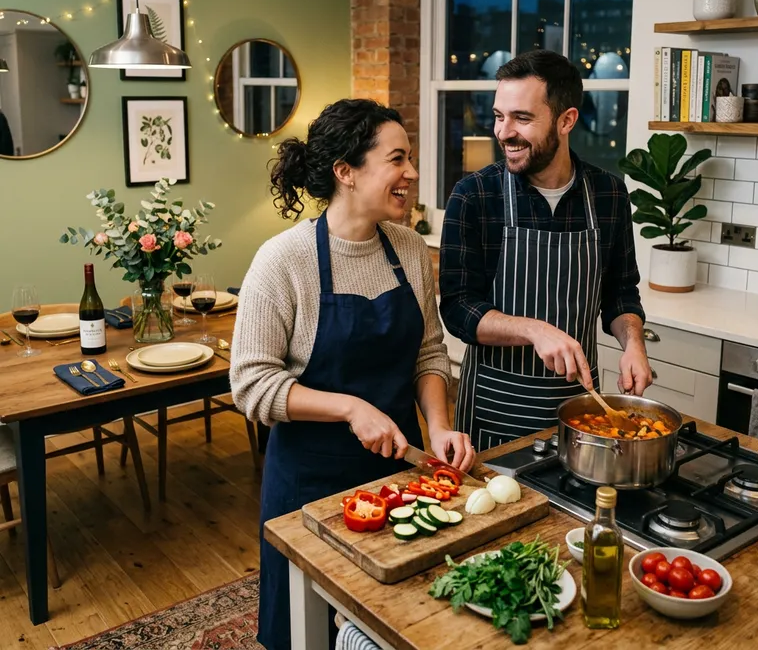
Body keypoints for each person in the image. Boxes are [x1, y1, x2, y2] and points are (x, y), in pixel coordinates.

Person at [230, 98, 475, 650]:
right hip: (310, 485)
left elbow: (429, 353)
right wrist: (349, 407)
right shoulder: (283, 260)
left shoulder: (410, 249)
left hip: (402, 477)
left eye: (410, 158)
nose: (411, 173)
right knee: (306, 627)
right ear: (346, 172)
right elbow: (250, 385)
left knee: (396, 623)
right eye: (397, 159)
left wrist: (438, 428)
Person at [439, 50, 651, 452]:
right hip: (493, 417)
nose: (503, 132)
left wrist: (633, 345)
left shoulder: (608, 194)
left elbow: (621, 293)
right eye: (499, 116)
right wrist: (533, 330)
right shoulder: (475, 195)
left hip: (581, 413)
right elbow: (458, 310)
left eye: (522, 118)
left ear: (566, 120)